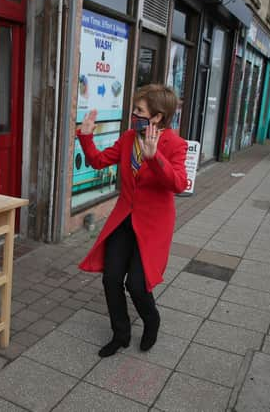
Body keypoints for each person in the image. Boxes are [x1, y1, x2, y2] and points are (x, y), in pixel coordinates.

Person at [76, 84, 188, 357]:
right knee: (111, 278)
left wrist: (155, 159)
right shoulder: (128, 138)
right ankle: (121, 334)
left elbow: (179, 184)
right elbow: (99, 161)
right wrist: (86, 137)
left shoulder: (174, 144)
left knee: (136, 284)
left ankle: (152, 321)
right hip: (124, 217)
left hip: (153, 225)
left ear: (157, 116)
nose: (133, 114)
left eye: (139, 110)